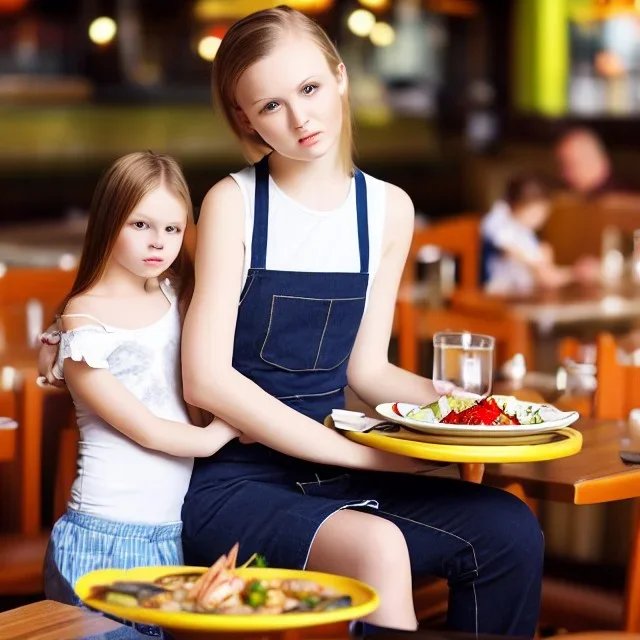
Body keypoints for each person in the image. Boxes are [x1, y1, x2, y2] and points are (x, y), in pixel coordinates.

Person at [179, 6, 544, 637]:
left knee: (510, 531)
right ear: (245, 118)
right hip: (238, 484)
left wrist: (447, 405)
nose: (299, 119)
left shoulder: (388, 209)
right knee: (378, 546)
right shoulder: (233, 204)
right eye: (270, 106)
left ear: (340, 77)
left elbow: (365, 370)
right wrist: (366, 459)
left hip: (340, 471)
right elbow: (206, 382)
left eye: (310, 89)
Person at [42, 151, 240, 638]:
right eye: (141, 225)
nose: (159, 242)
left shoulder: (175, 294)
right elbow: (148, 430)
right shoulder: (84, 322)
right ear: (110, 220)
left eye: (173, 229)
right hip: (101, 541)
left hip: (166, 540)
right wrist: (228, 429)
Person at [481, 172, 599, 293]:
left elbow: (547, 277)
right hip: (494, 298)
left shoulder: (525, 232)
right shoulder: (498, 221)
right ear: (518, 205)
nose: (542, 218)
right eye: (538, 212)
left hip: (520, 296)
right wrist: (540, 261)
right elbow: (509, 250)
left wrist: (576, 273)